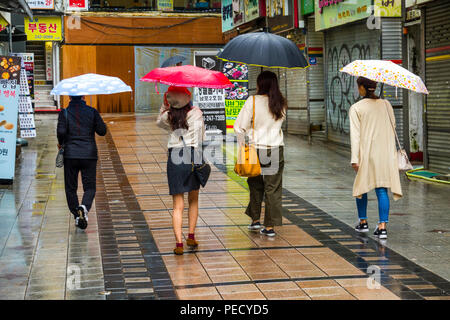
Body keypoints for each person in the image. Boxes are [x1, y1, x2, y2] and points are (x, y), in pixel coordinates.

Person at [234, 71, 287, 237]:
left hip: (256, 149)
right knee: (273, 188)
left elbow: (239, 126)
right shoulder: (281, 102)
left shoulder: (253, 100)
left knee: (255, 184)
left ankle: (255, 220)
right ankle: (270, 226)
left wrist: (244, 143)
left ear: (260, 84)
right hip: (275, 149)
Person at [349, 76, 403, 239]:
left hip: (366, 153)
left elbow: (355, 136)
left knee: (361, 188)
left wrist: (354, 158)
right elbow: (393, 127)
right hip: (385, 153)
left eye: (358, 86)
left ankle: (363, 222)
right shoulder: (386, 105)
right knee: (381, 189)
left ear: (362, 88)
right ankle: (382, 226)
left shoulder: (356, 108)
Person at [157, 86, 205, 255]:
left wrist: (165, 106)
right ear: (187, 97)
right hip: (193, 155)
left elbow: (159, 122)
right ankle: (191, 236)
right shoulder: (196, 112)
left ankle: (179, 244)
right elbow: (201, 137)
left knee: (178, 205)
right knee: (193, 199)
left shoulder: (168, 116)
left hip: (175, 156)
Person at [57, 95, 107, 230]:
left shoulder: (65, 112)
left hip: (70, 155)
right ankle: (84, 207)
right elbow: (102, 131)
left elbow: (61, 132)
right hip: (89, 154)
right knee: (89, 187)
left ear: (69, 97)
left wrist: (61, 143)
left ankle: (77, 214)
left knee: (70, 187)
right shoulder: (92, 111)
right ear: (83, 96)